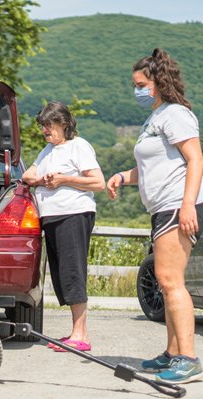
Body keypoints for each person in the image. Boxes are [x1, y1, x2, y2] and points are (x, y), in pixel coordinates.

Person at [107, 48, 203, 384]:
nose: (137, 90)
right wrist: (123, 175)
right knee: (166, 281)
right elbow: (153, 166)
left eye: (141, 84)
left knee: (170, 280)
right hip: (163, 207)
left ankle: (188, 358)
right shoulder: (156, 117)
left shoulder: (176, 114)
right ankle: (172, 352)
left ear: (158, 83)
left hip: (178, 206)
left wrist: (188, 204)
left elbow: (196, 160)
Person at [22, 101, 105, 352]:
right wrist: (44, 179)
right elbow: (28, 176)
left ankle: (82, 335)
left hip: (73, 213)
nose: (45, 130)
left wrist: (63, 179)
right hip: (52, 217)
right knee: (61, 274)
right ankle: (74, 332)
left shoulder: (78, 146)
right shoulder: (47, 150)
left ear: (64, 124)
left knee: (73, 272)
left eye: (49, 125)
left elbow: (98, 182)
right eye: (42, 125)